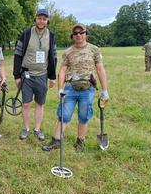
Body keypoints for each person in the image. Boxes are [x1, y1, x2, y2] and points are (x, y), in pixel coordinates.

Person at [42, 23, 109, 152]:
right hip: (70, 89)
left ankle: (80, 141)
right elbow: (62, 70)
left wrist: (105, 90)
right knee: (64, 115)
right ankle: (56, 140)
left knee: (84, 116)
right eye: (75, 33)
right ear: (73, 36)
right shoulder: (68, 52)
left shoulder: (94, 50)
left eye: (81, 33)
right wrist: (60, 89)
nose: (78, 35)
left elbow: (100, 69)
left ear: (86, 34)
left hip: (88, 89)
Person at [13, 9, 57, 141]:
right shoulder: (26, 34)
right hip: (26, 75)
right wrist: (16, 75)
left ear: (47, 20)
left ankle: (37, 129)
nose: (41, 21)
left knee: (40, 103)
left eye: (44, 19)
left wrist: (52, 77)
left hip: (42, 75)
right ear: (35, 18)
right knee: (26, 104)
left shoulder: (51, 35)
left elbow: (53, 57)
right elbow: (18, 54)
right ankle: (26, 129)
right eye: (39, 18)